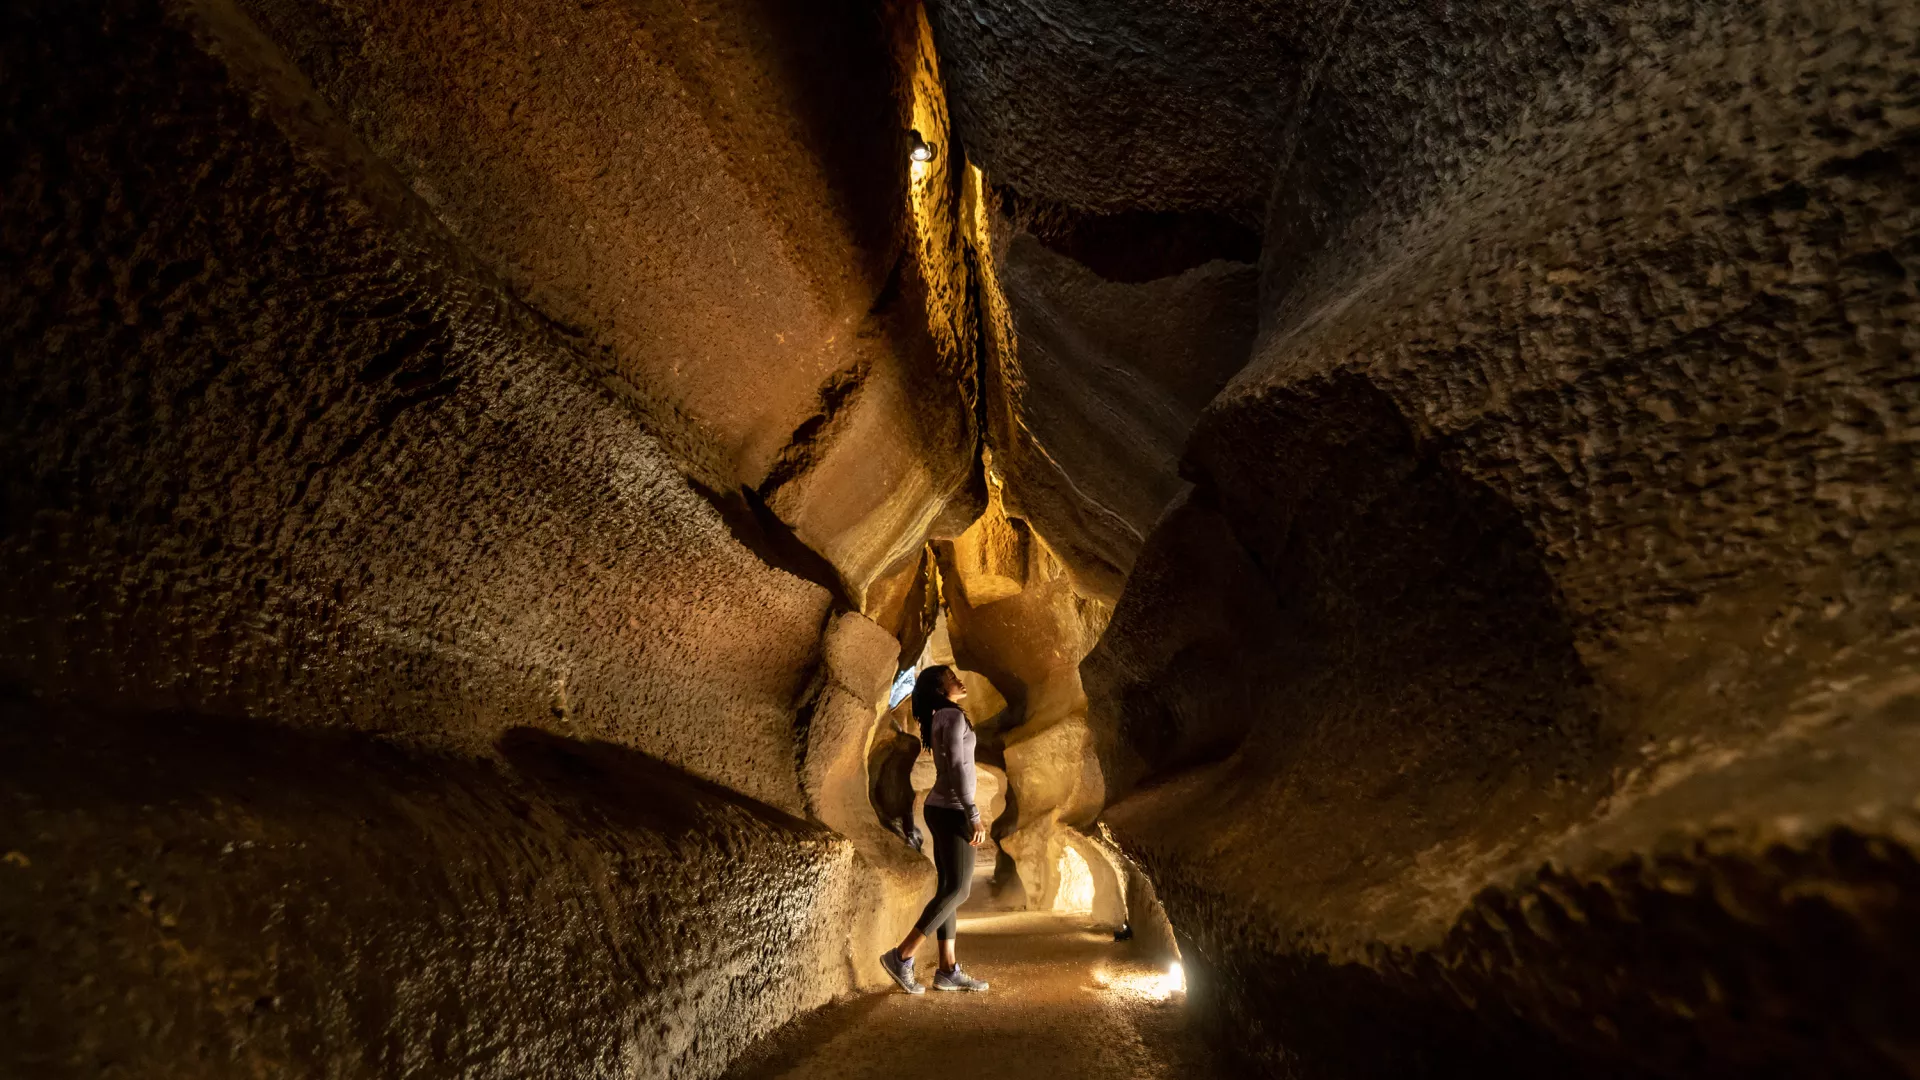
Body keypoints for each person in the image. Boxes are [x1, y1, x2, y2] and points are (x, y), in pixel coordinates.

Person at [879, 665, 991, 994]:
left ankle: (947, 969)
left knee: (949, 889)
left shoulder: (940, 716)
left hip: (940, 808)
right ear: (940, 689)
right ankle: (902, 956)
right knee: (959, 890)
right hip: (953, 810)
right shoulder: (952, 717)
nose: (958, 680)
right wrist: (973, 813)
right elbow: (956, 767)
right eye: (950, 677)